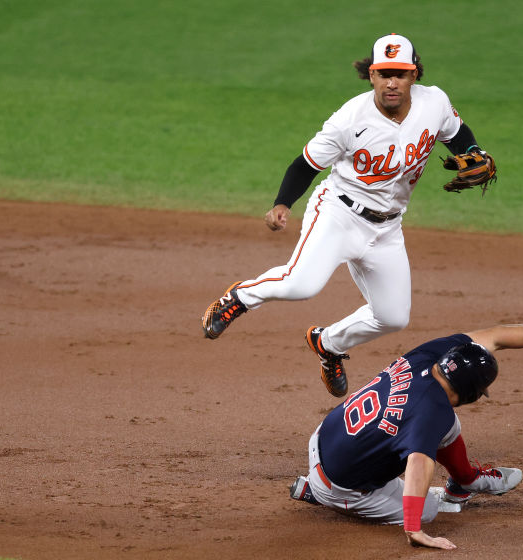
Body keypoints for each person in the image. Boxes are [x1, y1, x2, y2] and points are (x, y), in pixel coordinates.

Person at [202, 33, 495, 398]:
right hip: (339, 214)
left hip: (388, 227)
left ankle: (329, 344)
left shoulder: (433, 102)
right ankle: (239, 298)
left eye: (400, 74)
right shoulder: (349, 119)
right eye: (384, 73)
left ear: (414, 74)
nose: (392, 82)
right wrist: (282, 203)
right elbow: (305, 164)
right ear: (371, 75)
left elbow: (456, 133)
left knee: (393, 316)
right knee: (300, 284)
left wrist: (473, 150)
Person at [287, 323, 523, 550]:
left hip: (323, 437)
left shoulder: (430, 355)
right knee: (428, 509)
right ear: (472, 393)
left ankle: (466, 481)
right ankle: (319, 494)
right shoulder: (432, 412)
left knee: (445, 427)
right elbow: (419, 465)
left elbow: (497, 336)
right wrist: (414, 530)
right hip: (338, 485)